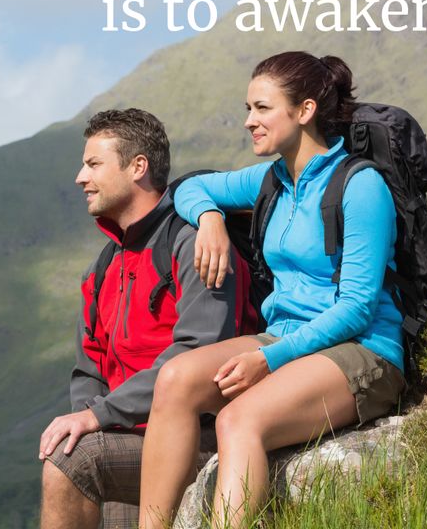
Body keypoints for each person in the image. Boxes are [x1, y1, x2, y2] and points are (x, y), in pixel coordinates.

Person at [138, 51, 407, 529]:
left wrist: (268, 361)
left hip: (360, 350)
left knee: (238, 420)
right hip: (284, 336)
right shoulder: (273, 181)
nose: (249, 122)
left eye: (262, 109)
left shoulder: (361, 186)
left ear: (304, 111)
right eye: (248, 108)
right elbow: (188, 189)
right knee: (176, 380)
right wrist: (211, 218)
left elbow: (358, 308)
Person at [38, 109, 253, 529]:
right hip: (129, 434)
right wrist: (92, 419)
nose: (81, 177)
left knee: (73, 459)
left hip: (198, 436)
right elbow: (89, 366)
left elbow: (198, 355)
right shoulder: (101, 270)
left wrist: (98, 419)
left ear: (138, 167)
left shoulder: (194, 244)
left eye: (94, 164)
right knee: (78, 444)